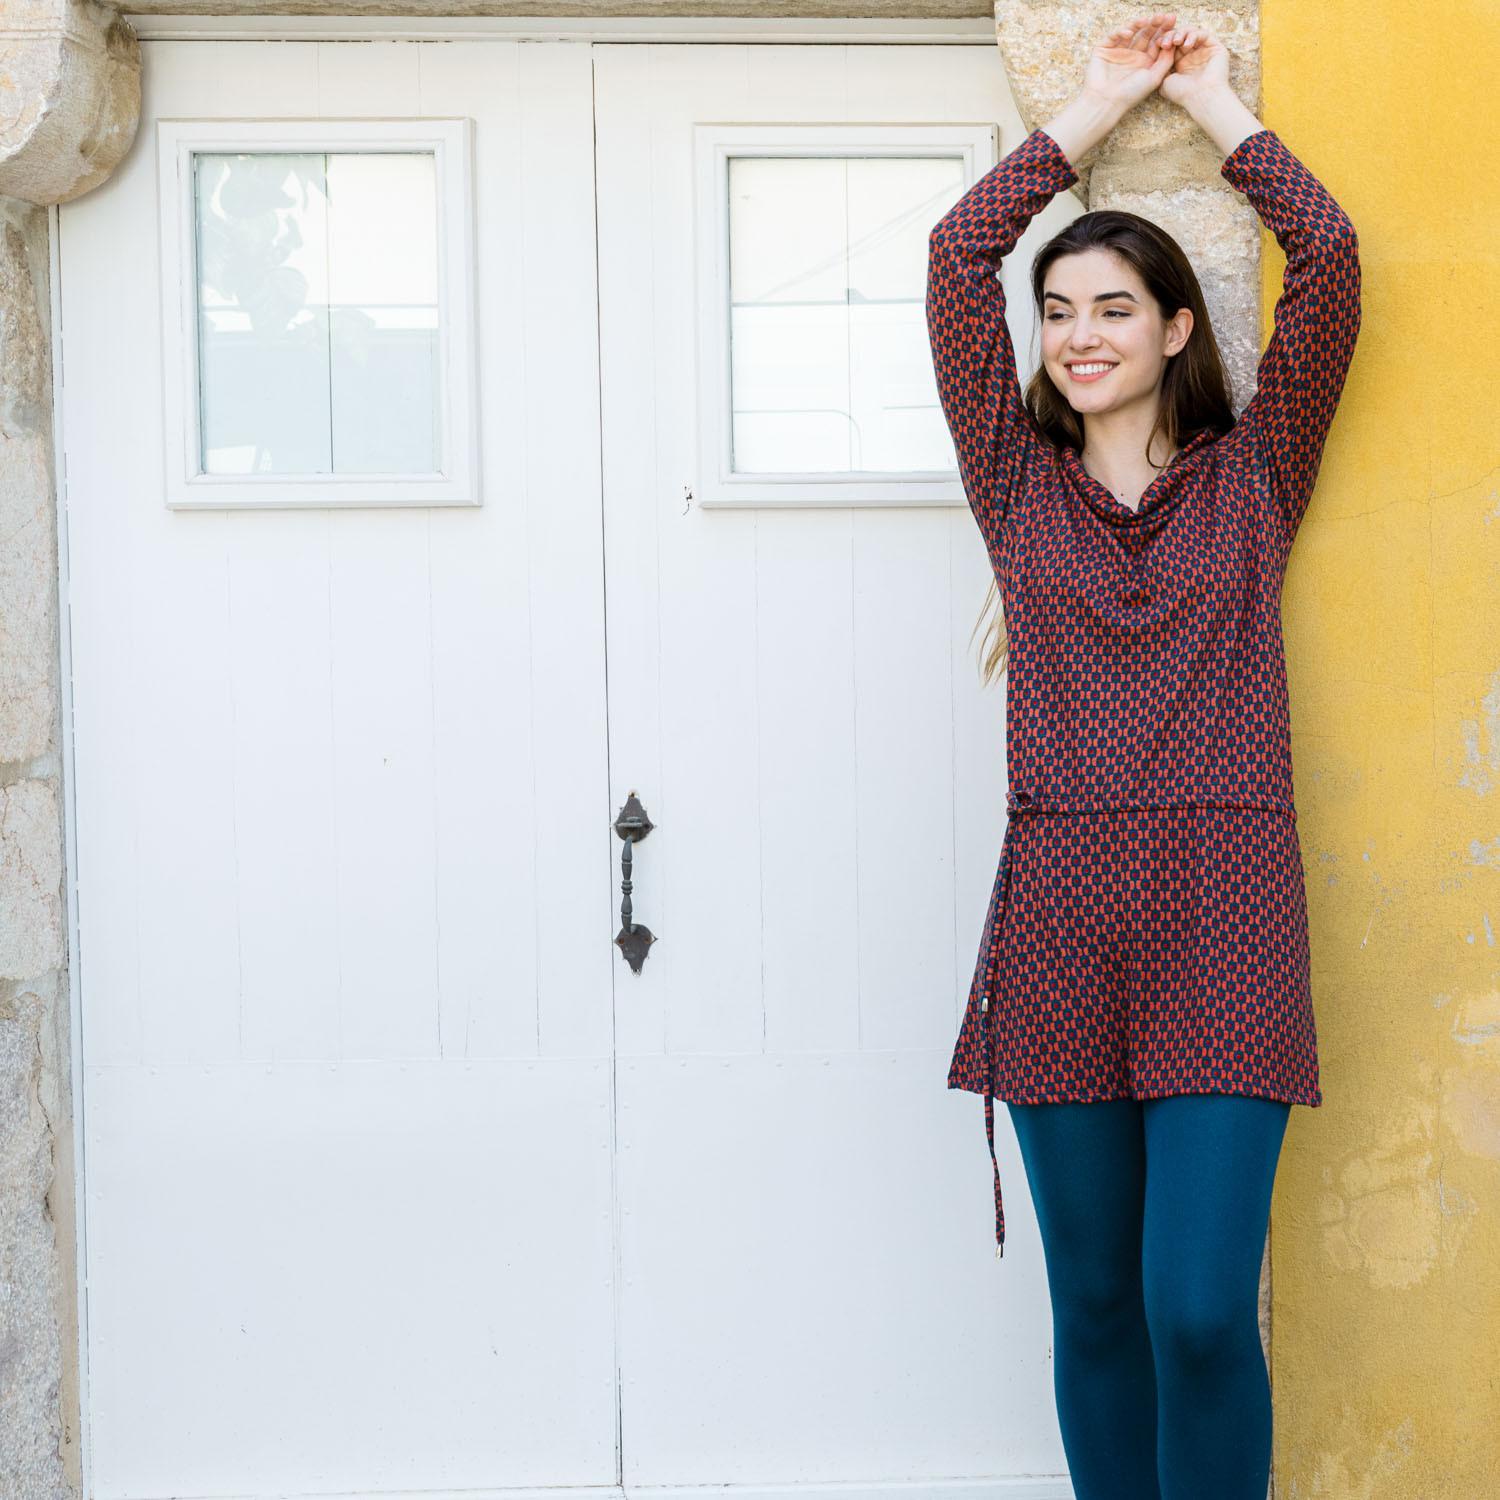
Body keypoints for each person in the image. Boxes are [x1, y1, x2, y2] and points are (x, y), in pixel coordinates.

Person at [925, 12, 1361, 1500]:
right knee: (1098, 1307)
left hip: (1229, 912)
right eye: (1058, 310)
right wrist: (1097, 105)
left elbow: (1335, 261)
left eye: (1114, 305)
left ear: (1179, 327)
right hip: (1060, 920)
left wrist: (1214, 104)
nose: (1079, 334)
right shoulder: (1013, 486)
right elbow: (947, 261)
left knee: (1192, 1309)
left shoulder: (1256, 478)